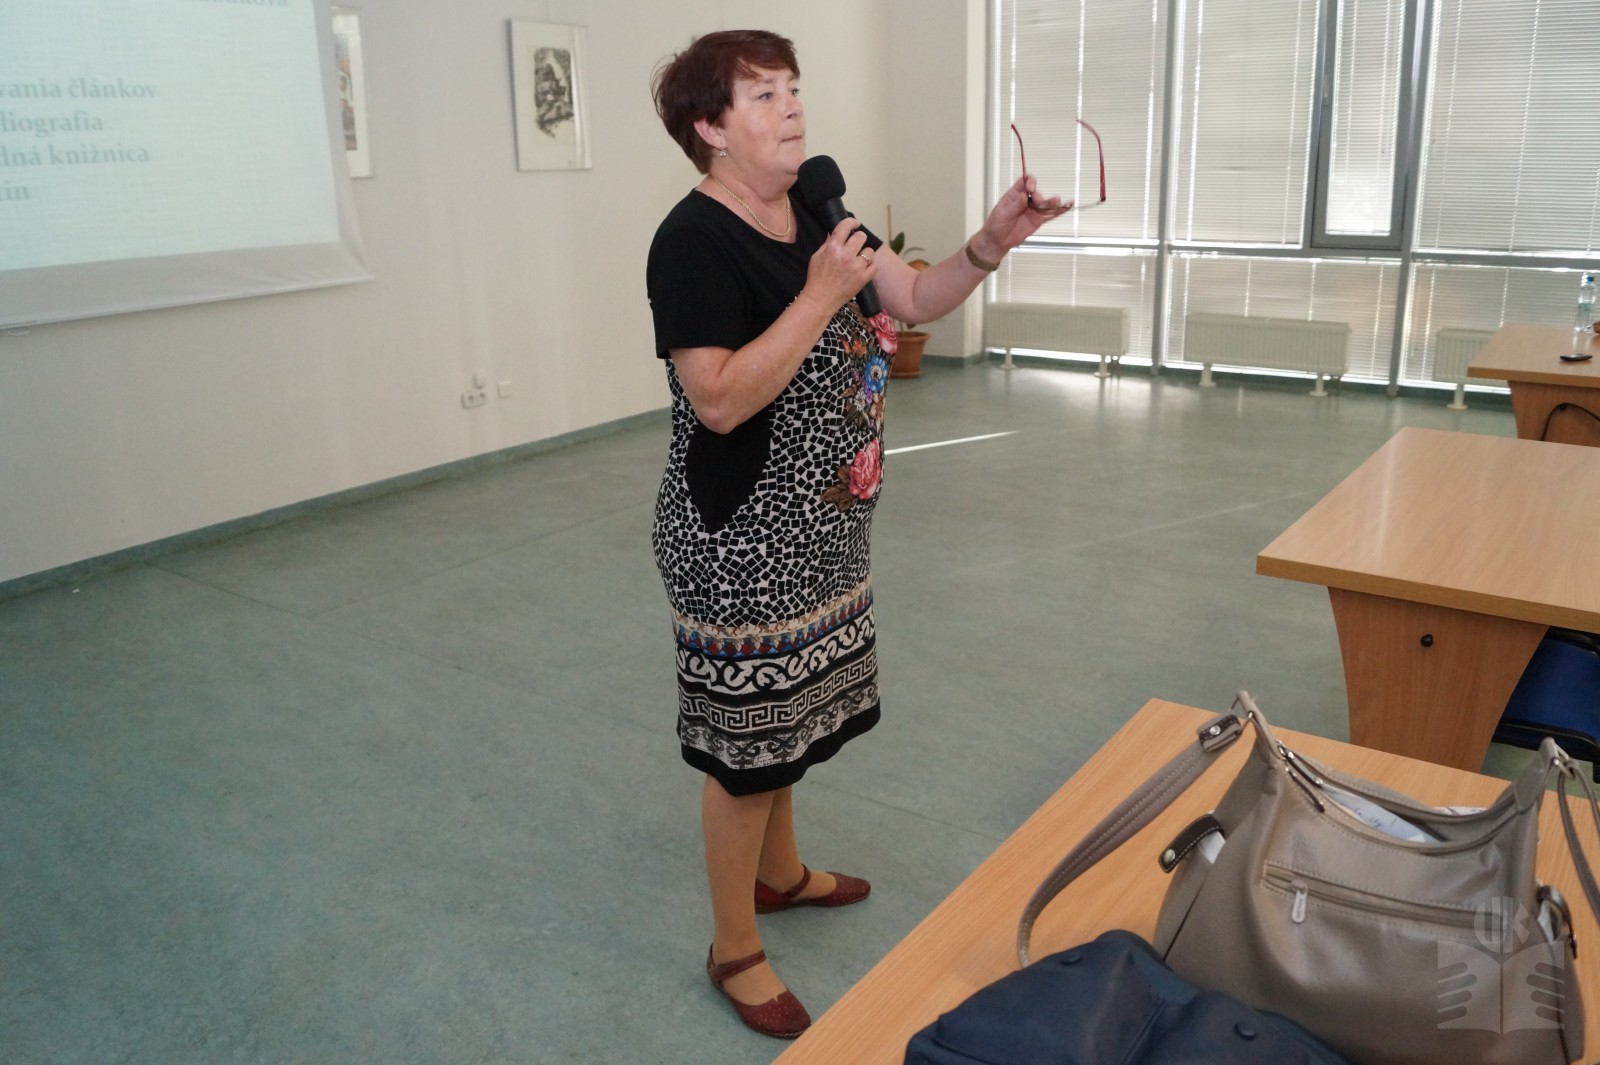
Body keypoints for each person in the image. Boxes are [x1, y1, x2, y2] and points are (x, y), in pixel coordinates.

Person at [647, 29, 1070, 1039]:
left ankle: (784, 874)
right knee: (747, 752)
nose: (792, 107)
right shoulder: (690, 241)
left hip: (825, 528)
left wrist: (990, 242)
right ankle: (733, 946)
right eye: (762, 95)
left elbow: (913, 297)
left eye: (792, 88)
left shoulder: (814, 202)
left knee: (793, 719)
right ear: (710, 128)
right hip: (739, 540)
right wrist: (818, 295)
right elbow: (717, 400)